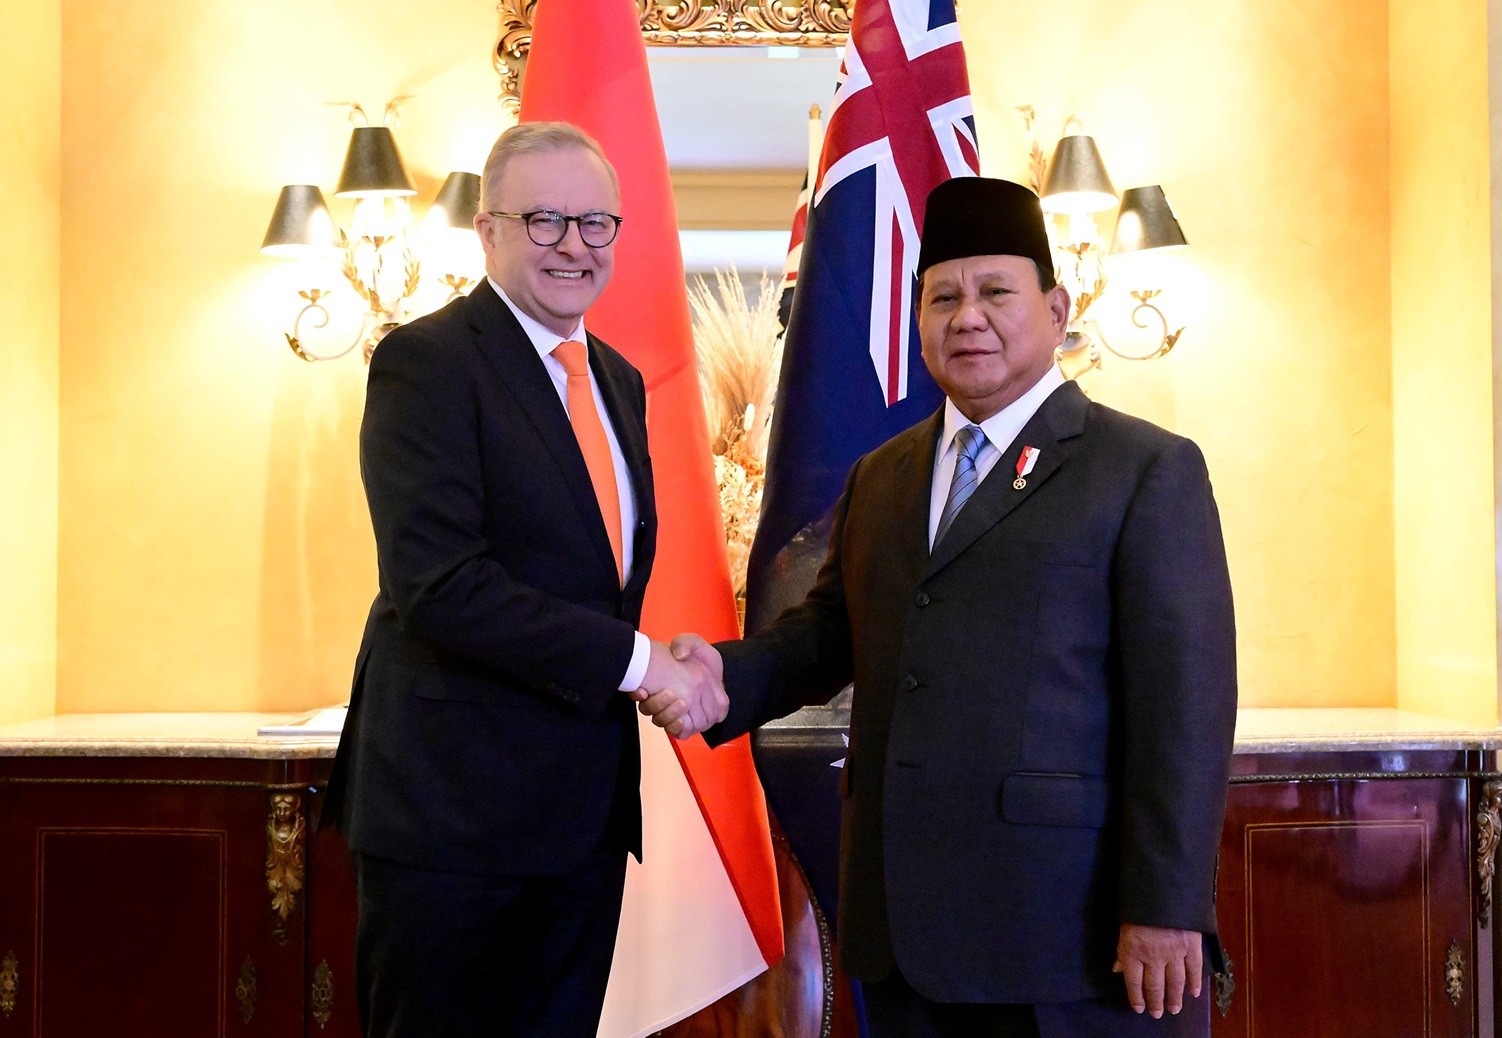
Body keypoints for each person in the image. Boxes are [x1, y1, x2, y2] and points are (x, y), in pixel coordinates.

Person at [644, 176, 1237, 1037]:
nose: (969, 316)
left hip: (1070, 938)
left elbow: (1185, 708)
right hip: (904, 930)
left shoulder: (1142, 470)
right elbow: (826, 636)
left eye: (997, 291)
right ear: (918, 319)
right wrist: (720, 677)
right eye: (943, 296)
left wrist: (1167, 904)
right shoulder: (882, 476)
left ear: (1057, 304)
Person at [321, 121, 726, 1038]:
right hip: (448, 821)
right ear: (488, 230)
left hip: (578, 818)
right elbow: (443, 586)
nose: (573, 246)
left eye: (594, 224)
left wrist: (658, 655)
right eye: (543, 221)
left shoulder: (618, 379)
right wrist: (644, 665)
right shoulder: (427, 363)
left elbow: (592, 579)